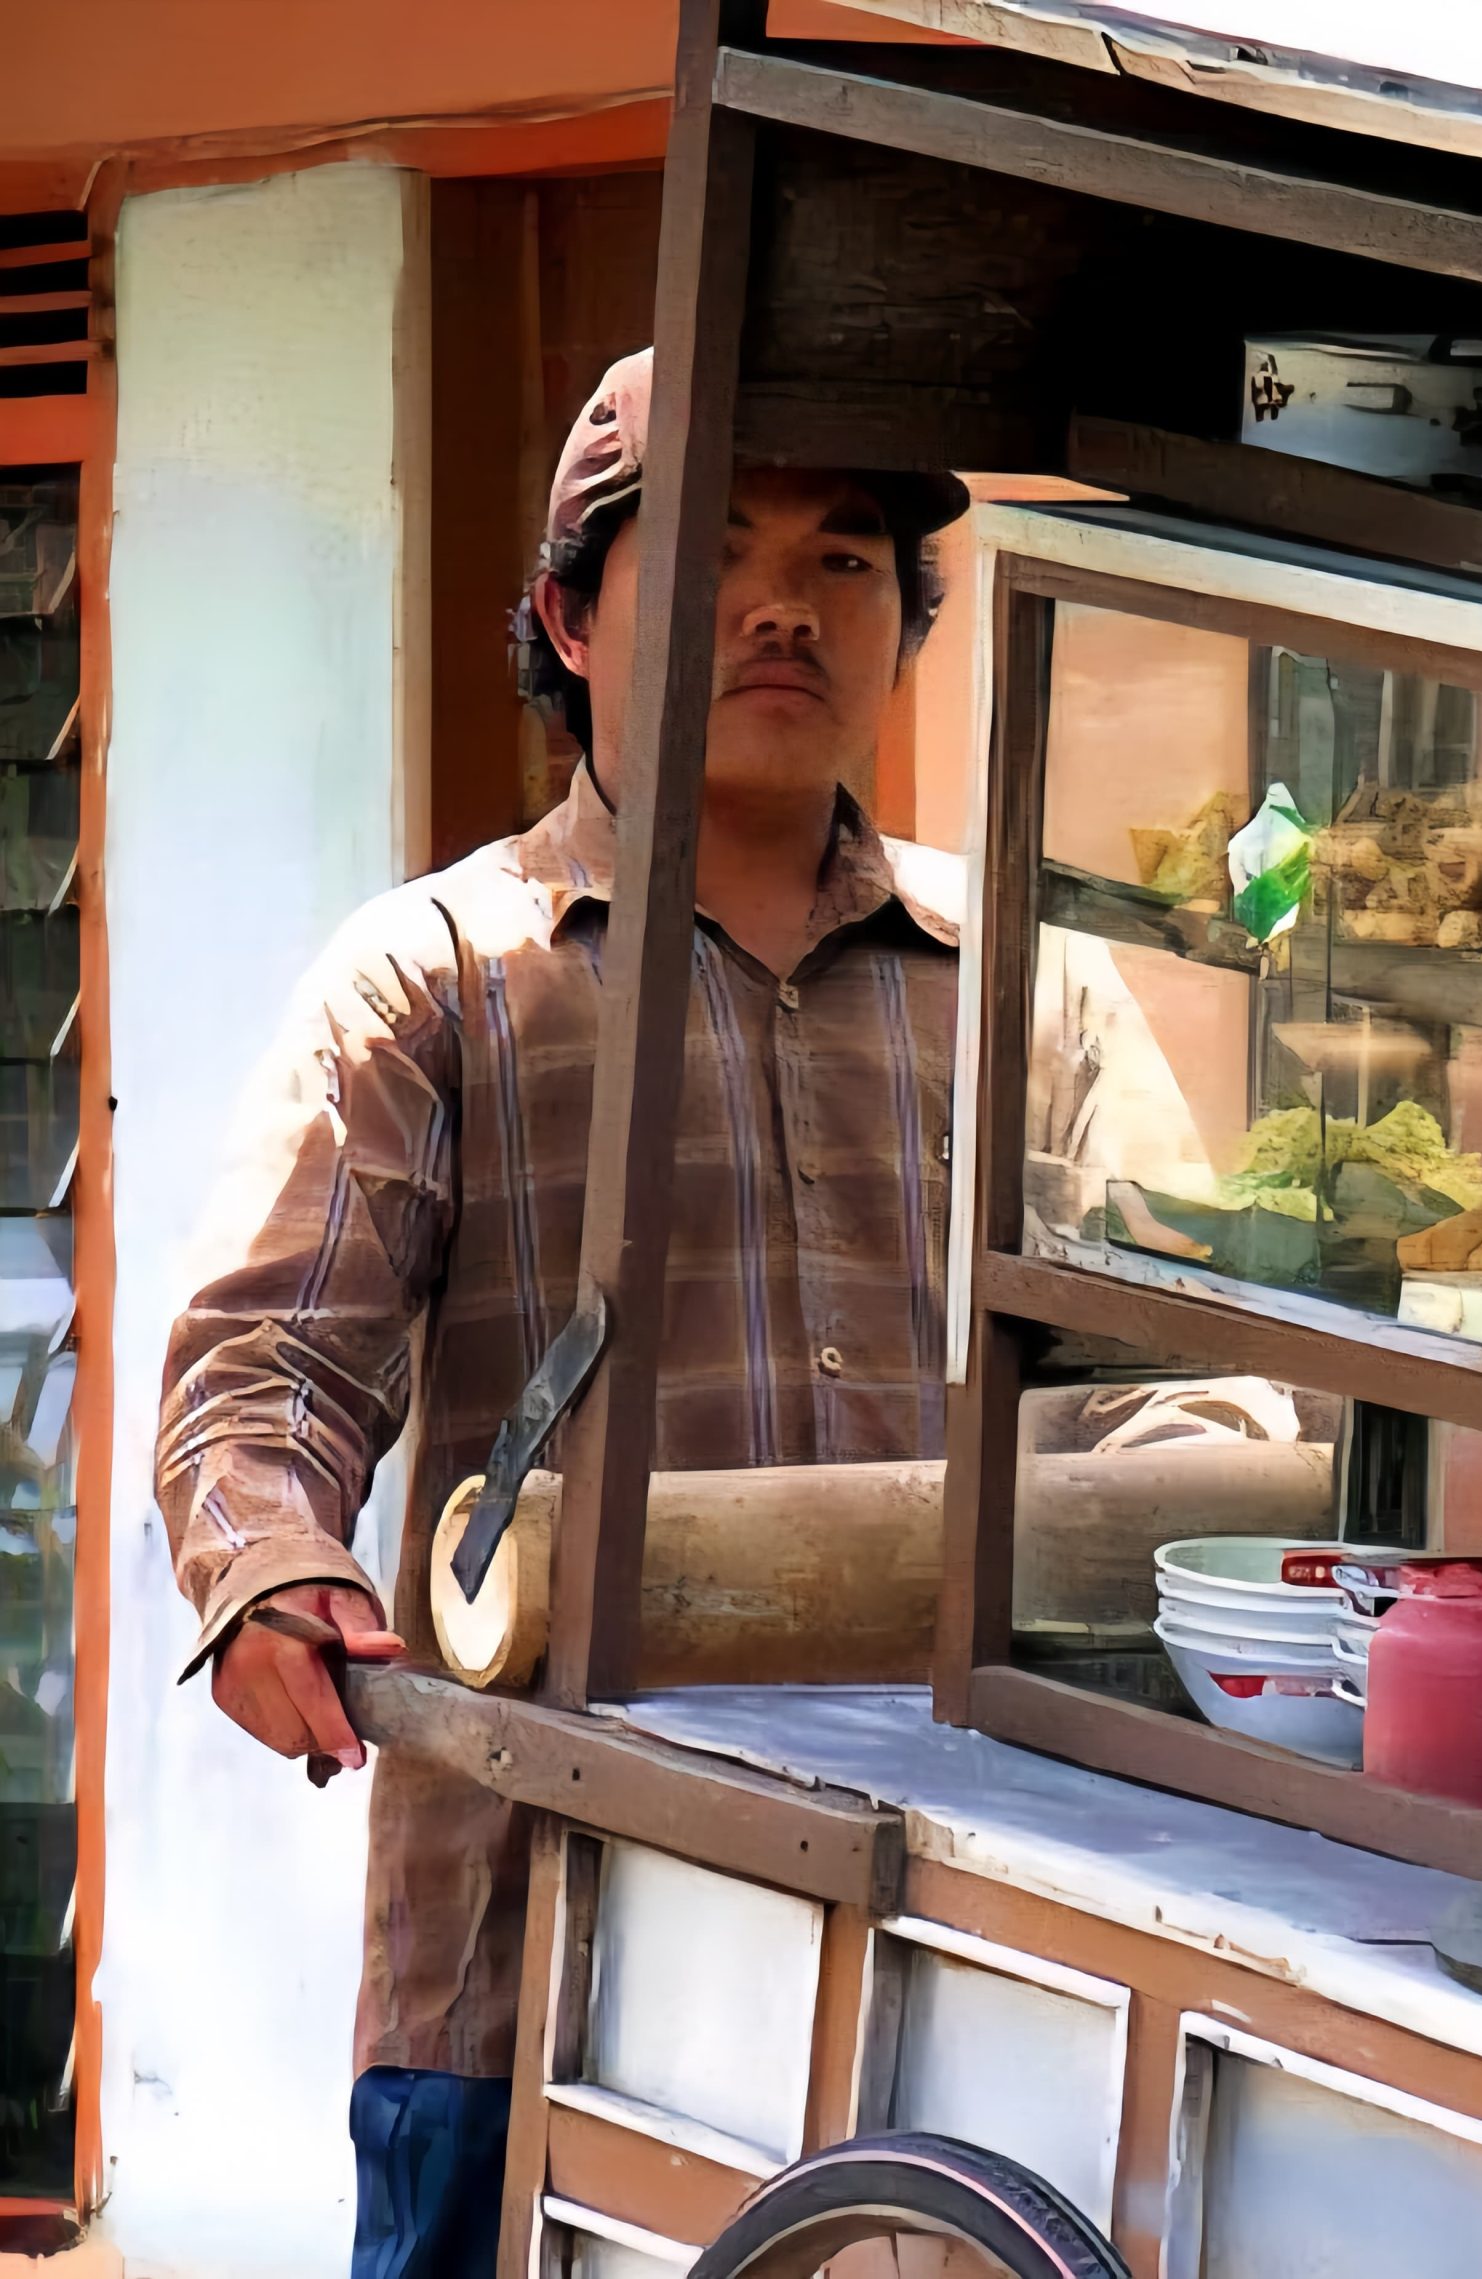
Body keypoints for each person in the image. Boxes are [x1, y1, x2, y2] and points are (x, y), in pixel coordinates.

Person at [153, 349, 968, 2278]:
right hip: (534, 1968)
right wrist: (268, 1568)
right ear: (566, 622)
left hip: (953, 1960)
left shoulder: (1018, 985)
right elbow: (259, 1366)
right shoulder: (436, 977)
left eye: (846, 563)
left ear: (904, 632)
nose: (783, 604)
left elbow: (1164, 1392)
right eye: (706, 550)